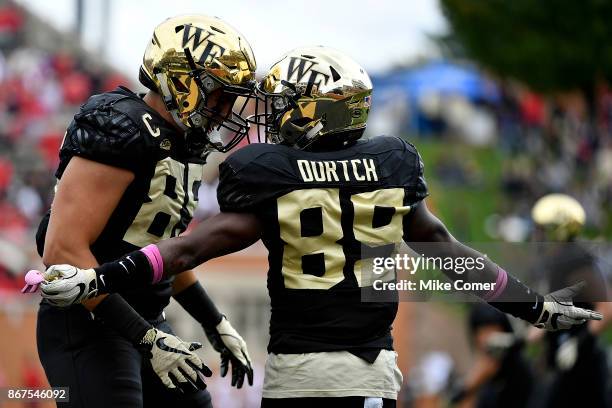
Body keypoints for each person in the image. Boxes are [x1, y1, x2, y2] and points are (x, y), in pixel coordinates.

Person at [38, 46, 602, 408]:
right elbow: (450, 256)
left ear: (313, 111)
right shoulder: (392, 164)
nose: (273, 112)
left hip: (301, 372)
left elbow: (189, 248)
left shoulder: (270, 175)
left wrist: (98, 279)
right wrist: (533, 306)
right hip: (374, 372)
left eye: (286, 103)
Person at [29, 15, 257, 408]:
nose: (225, 109)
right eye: (218, 94)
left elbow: (162, 249)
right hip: (89, 321)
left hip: (146, 322)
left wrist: (213, 321)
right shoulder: (124, 127)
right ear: (182, 82)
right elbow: (62, 253)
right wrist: (147, 337)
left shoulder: (182, 142)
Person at [526, 194, 611, 408]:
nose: (537, 235)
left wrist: (578, 342)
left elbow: (606, 308)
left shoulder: (575, 261)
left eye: (542, 229)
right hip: (565, 365)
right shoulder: (557, 262)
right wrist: (515, 340)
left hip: (584, 367)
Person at [450, 304, 534, 408]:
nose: (488, 339)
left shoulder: (519, 371)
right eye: (482, 333)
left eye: (493, 332)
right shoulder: (482, 371)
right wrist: (472, 385)